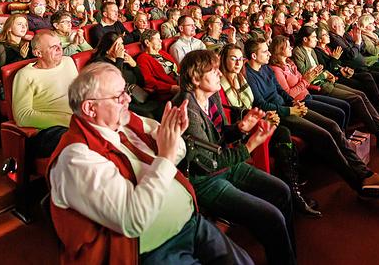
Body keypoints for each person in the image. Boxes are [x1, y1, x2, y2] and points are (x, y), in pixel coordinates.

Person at [48, 63, 253, 265]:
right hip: (153, 250)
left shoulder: (127, 122)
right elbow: (133, 219)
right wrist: (165, 156)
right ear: (90, 108)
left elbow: (178, 150)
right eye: (118, 97)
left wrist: (173, 134)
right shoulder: (75, 158)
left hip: (190, 222)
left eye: (126, 91)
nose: (128, 99)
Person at [172, 50, 296, 265]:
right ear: (195, 78)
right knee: (271, 218)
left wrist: (239, 129)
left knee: (282, 192)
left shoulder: (211, 96)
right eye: (213, 70)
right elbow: (209, 162)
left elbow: (218, 137)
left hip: (227, 166)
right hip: (205, 180)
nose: (219, 74)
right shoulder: (187, 110)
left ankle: (286, 255)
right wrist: (249, 145)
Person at [244, 38, 379, 201]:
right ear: (253, 56)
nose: (268, 53)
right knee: (324, 135)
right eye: (264, 51)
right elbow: (262, 104)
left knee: (332, 125)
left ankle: (365, 172)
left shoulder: (265, 69)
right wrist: (289, 109)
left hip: (292, 107)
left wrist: (293, 102)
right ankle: (359, 182)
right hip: (280, 116)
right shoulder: (249, 75)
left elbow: (280, 91)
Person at [219, 44, 321, 217]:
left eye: (239, 59)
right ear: (224, 60)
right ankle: (293, 194)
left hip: (255, 121)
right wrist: (262, 118)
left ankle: (291, 187)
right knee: (283, 133)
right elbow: (231, 116)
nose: (237, 63)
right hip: (238, 132)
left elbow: (253, 106)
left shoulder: (241, 78)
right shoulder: (220, 84)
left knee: (283, 134)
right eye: (232, 58)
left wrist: (265, 116)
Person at [12, 30, 78, 158]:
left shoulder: (68, 61)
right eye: (53, 47)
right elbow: (22, 116)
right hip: (50, 131)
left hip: (78, 121)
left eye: (60, 44)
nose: (60, 49)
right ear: (38, 53)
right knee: (81, 144)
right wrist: (68, 121)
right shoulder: (25, 75)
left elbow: (79, 93)